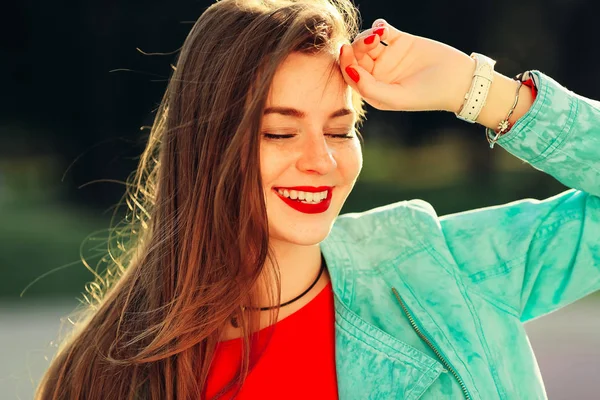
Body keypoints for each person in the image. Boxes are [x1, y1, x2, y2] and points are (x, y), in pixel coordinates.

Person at [36, 0, 600, 399]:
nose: (322, 161)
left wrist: (477, 91)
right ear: (206, 147)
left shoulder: (442, 271)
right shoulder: (104, 377)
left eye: (339, 129)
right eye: (280, 132)